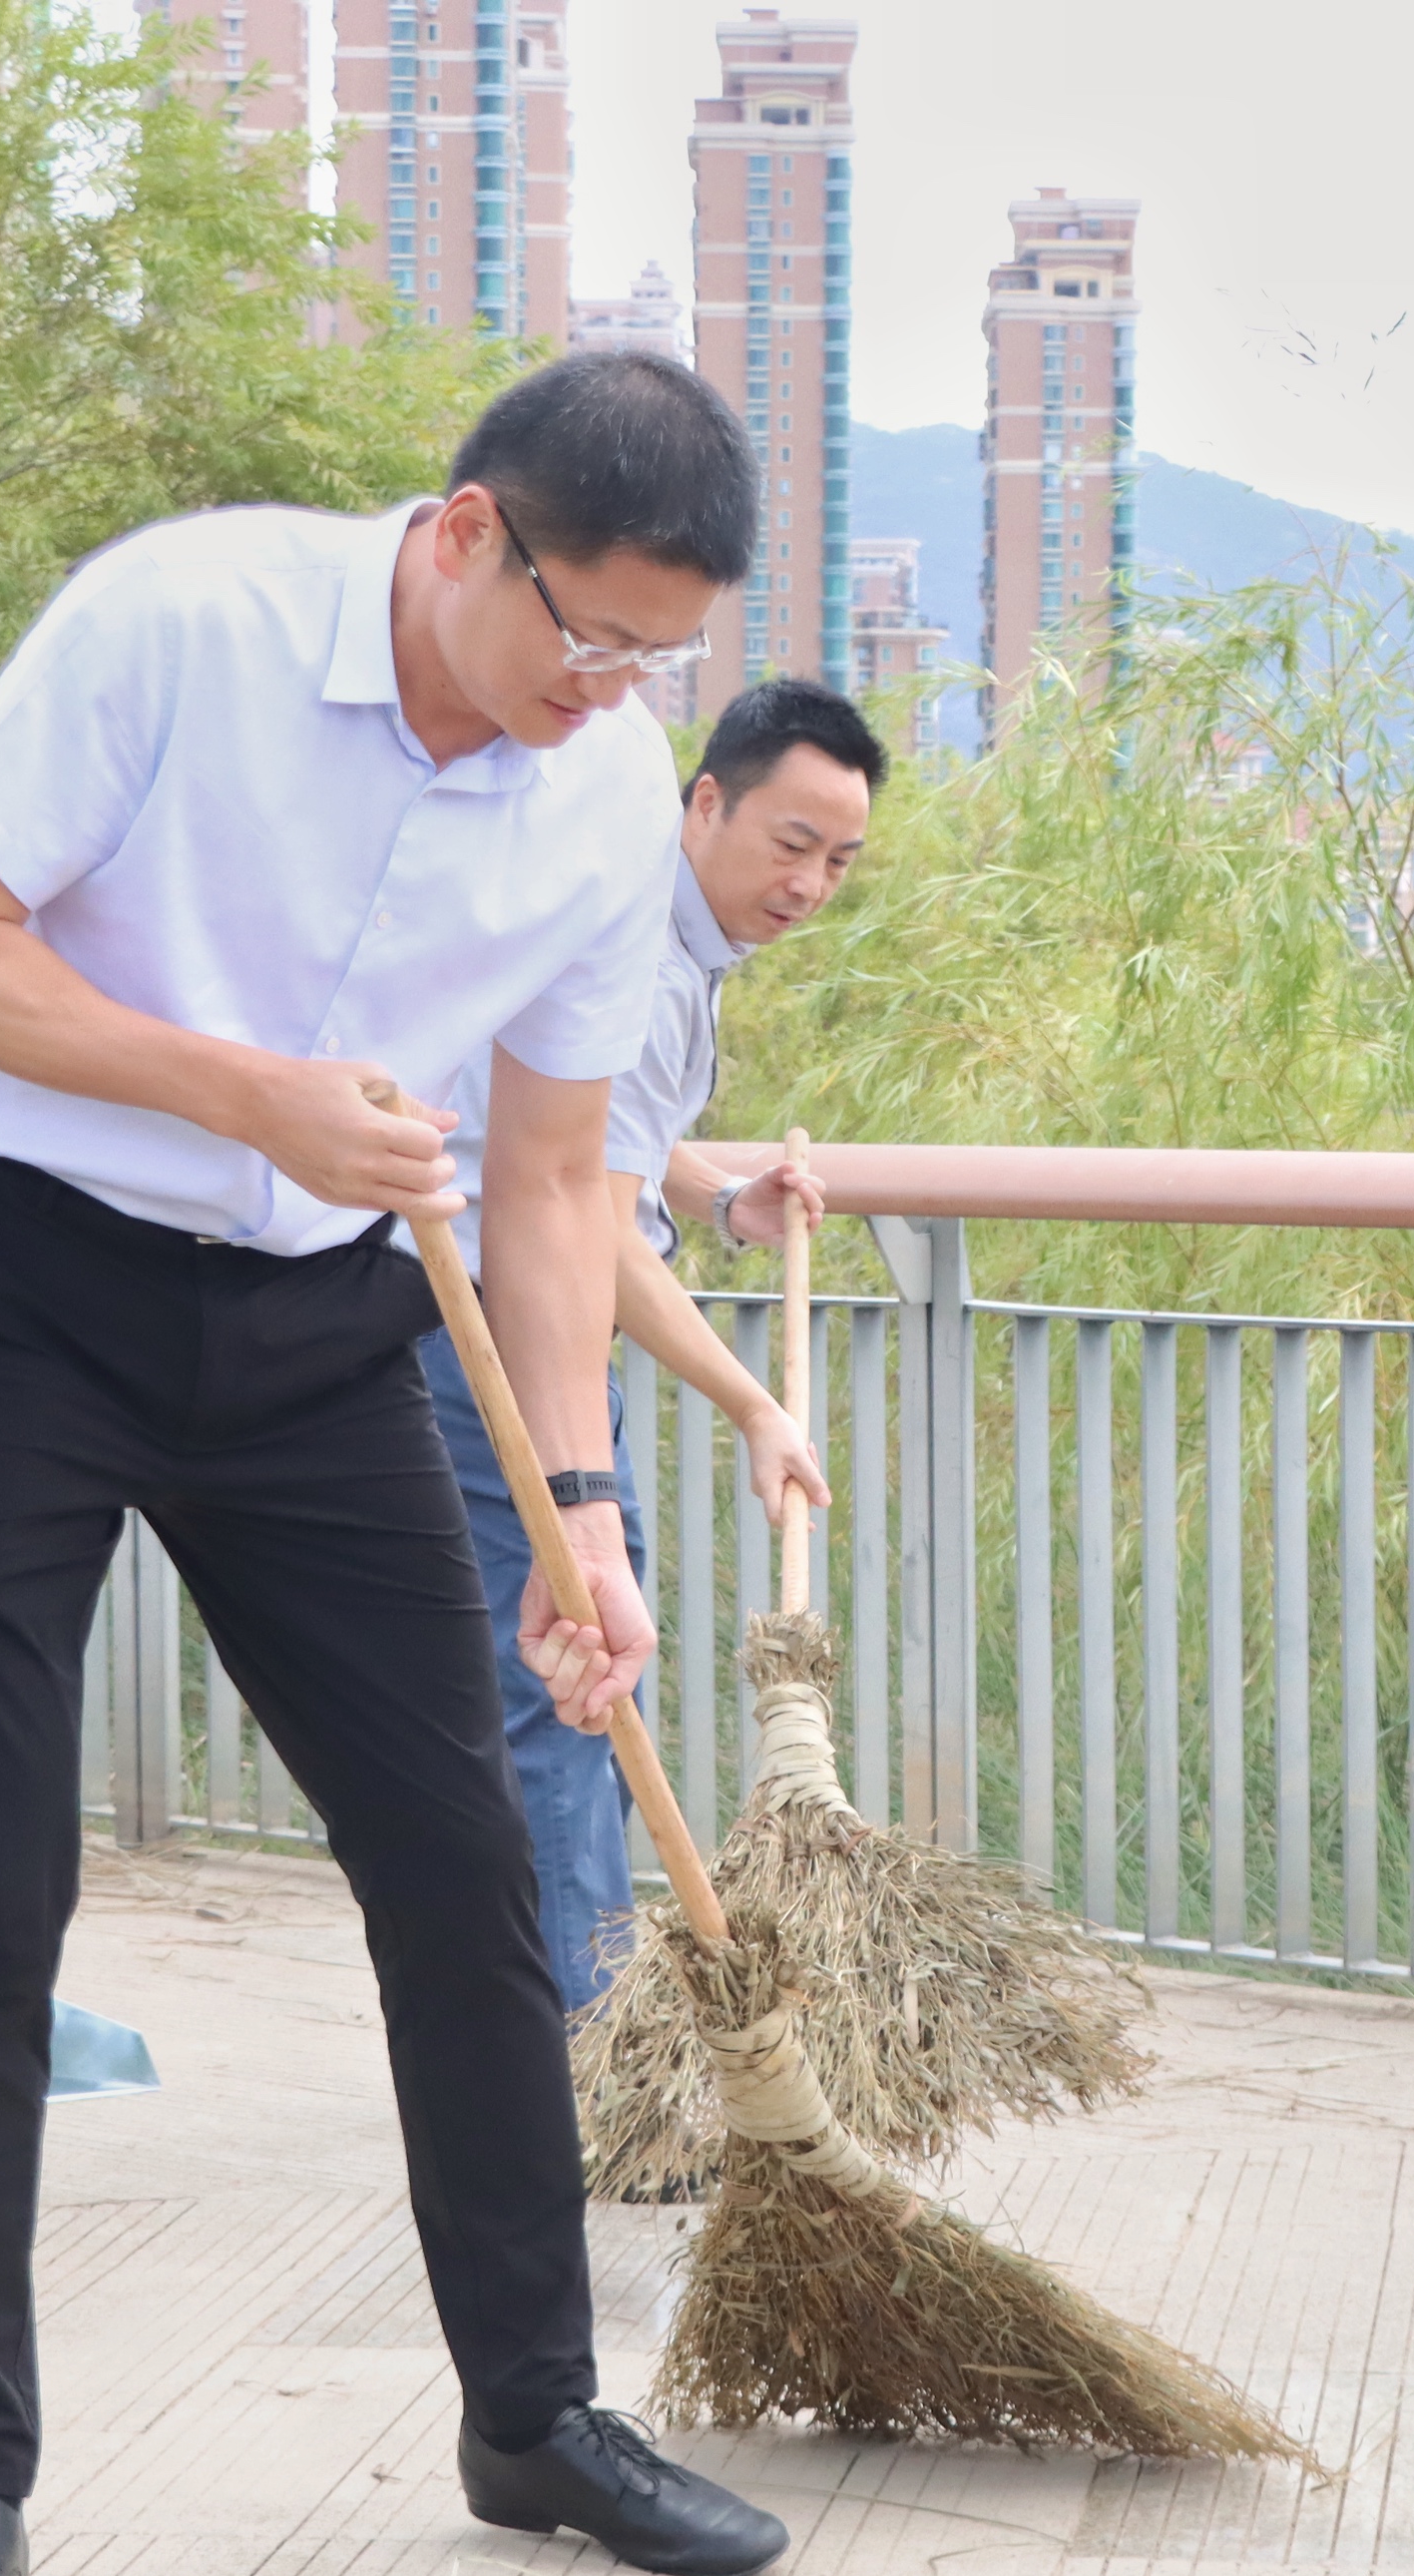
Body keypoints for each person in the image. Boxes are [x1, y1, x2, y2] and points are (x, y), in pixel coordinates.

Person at [0, 350, 784, 2576]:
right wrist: (242, 1089)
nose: (606, 701)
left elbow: (552, 1183)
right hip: (19, 1281)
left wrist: (582, 1504)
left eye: (659, 663)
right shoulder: (179, 623)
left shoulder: (593, 801)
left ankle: (535, 2416)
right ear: (467, 535)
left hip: (318, 1335)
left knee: (461, 1863)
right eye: (585, 637)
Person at [425, 675, 883, 2013]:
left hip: (484, 1318)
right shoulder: (645, 950)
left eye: (839, 860)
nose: (809, 884)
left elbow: (594, 1139)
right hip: (486, 1336)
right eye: (789, 844)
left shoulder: (665, 939)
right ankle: (585, 2057)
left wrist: (708, 1195)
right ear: (703, 804)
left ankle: (542, 2027)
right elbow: (586, 1233)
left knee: (552, 1682)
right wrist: (755, 1405)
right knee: (571, 1690)